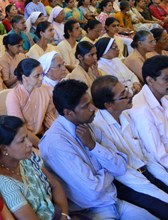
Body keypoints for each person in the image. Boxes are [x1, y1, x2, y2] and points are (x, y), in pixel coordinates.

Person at [39, 79, 157, 220]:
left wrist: (93, 146)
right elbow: (92, 191)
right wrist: (108, 169)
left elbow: (120, 167)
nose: (93, 108)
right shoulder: (56, 144)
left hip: (112, 201)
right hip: (91, 210)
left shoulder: (87, 125)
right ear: (68, 113)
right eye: (86, 106)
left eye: (90, 102)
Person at [91, 76, 168, 220]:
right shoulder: (99, 129)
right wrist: (163, 196)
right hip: (128, 185)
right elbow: (124, 173)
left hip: (146, 172)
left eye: (126, 90)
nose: (130, 95)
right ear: (108, 104)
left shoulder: (125, 115)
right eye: (123, 96)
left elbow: (146, 156)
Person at [0, 116, 70, 220]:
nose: (29, 143)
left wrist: (64, 215)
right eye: (22, 140)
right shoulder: (2, 183)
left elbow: (54, 185)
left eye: (27, 137)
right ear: (4, 148)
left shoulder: (26, 158)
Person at [128, 56, 168, 180]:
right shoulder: (142, 110)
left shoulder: (164, 96)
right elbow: (159, 156)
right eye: (167, 79)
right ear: (150, 80)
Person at [6, 58, 56, 146]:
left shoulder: (47, 91)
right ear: (24, 77)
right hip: (22, 140)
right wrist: (41, 145)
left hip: (43, 136)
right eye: (37, 75)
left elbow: (49, 119)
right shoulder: (13, 96)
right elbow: (20, 129)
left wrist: (54, 139)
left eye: (41, 74)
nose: (41, 78)